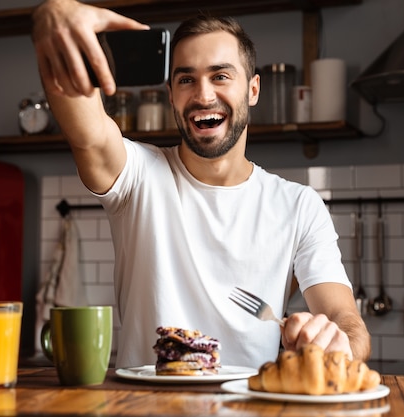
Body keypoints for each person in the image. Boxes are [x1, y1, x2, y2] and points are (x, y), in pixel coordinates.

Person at [32, 0, 371, 369]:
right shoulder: (138, 176)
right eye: (186, 79)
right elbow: (89, 136)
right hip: (146, 408)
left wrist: (337, 342)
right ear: (170, 94)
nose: (203, 95)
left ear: (253, 90)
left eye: (220, 76)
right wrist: (52, 17)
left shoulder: (299, 205)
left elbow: (346, 320)